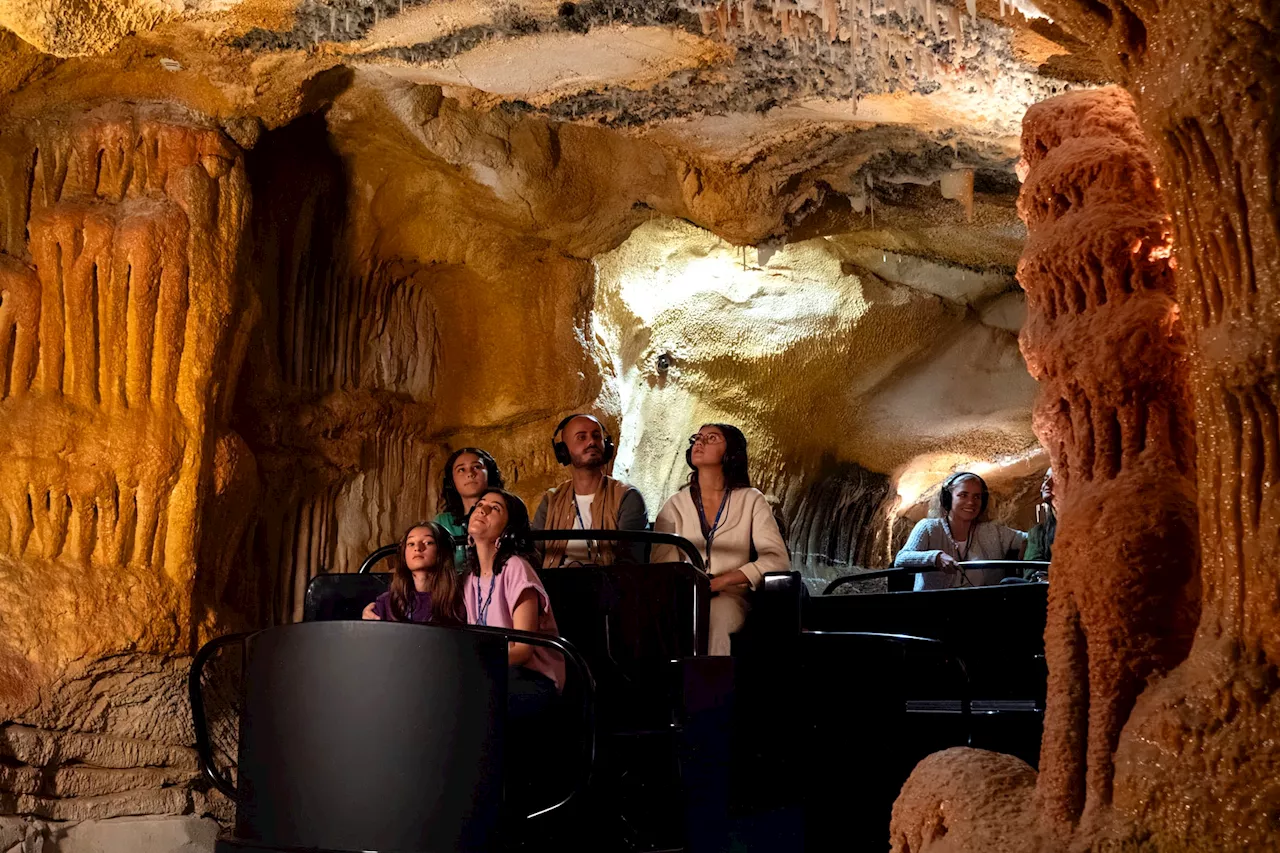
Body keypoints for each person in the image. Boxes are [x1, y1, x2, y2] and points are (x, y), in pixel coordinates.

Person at [653, 424, 789, 656]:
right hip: (685, 598)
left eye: (711, 437)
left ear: (731, 452)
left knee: (719, 613)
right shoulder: (674, 505)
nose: (699, 442)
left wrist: (721, 582)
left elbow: (777, 560)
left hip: (731, 597)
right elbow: (661, 569)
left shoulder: (751, 500)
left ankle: (712, 689)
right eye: (698, 437)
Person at [466, 488, 566, 721]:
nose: (483, 509)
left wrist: (475, 663)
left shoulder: (517, 568)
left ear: (509, 531)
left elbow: (522, 650)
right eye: (481, 503)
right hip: (491, 671)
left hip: (530, 676)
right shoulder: (470, 577)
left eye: (495, 508)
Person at [532, 414, 647, 567]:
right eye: (581, 437)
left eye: (596, 436)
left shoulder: (627, 496)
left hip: (608, 587)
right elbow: (533, 554)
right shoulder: (551, 500)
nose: (591, 442)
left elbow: (629, 561)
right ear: (563, 451)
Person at [893, 472, 1028, 590]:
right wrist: (936, 557)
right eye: (963, 495)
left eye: (977, 497)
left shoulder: (993, 531)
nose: (971, 502)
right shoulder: (929, 528)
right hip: (933, 611)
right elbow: (902, 558)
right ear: (948, 498)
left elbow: (1032, 538)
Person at [360, 521, 465, 624]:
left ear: (442, 552)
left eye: (428, 542)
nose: (418, 548)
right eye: (411, 544)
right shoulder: (387, 603)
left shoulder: (459, 602)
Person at [437, 447, 504, 567]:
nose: (470, 474)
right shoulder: (441, 523)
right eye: (461, 469)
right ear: (452, 480)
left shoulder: (508, 514)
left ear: (490, 473)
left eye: (477, 467)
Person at [1024, 467, 1056, 569]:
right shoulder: (1038, 533)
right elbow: (1032, 568)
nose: (1047, 483)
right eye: (1045, 478)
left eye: (1055, 478)